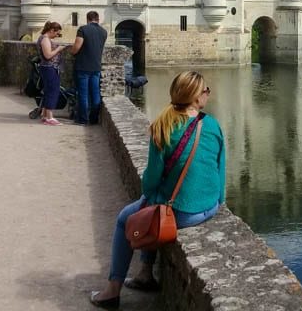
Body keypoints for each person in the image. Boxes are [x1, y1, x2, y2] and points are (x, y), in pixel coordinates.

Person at [90, 71, 226, 309]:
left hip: (184, 212)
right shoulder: (213, 124)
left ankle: (112, 291)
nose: (207, 94)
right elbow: (220, 169)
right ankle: (144, 273)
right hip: (211, 206)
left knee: (127, 217)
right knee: (155, 205)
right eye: (205, 91)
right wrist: (217, 201)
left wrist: (150, 196)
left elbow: (150, 181)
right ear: (195, 98)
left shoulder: (164, 127)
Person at [70, 10, 107, 125]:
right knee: (95, 93)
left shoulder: (83, 29)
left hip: (83, 66)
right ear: (98, 19)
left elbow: (77, 47)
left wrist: (72, 52)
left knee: (83, 94)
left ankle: (83, 120)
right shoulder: (103, 32)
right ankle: (94, 118)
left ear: (87, 19)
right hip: (96, 66)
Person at [36, 21, 66, 126]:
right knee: (53, 91)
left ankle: (45, 115)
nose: (57, 36)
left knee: (49, 90)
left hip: (48, 68)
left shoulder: (44, 38)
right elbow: (48, 55)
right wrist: (59, 49)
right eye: (57, 33)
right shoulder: (45, 39)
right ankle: (50, 117)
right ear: (52, 30)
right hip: (49, 68)